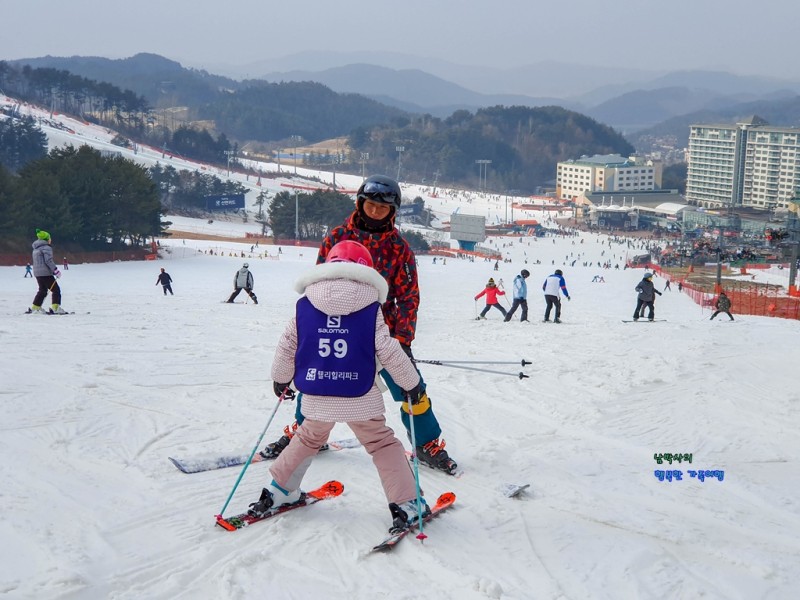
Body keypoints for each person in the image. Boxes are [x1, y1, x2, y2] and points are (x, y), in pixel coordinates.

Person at [262, 175, 458, 474]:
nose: (376, 212)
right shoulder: (338, 237)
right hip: (337, 325)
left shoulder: (399, 248)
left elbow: (408, 296)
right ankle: (305, 432)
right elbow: (320, 283)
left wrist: (402, 339)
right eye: (371, 205)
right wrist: (312, 327)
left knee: (411, 387)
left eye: (383, 208)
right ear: (360, 203)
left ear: (393, 211)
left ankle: (426, 442)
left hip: (383, 332)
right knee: (320, 379)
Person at [247, 241, 431, 532]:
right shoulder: (370, 305)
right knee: (380, 442)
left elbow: (288, 344)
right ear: (366, 270)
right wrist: (412, 384)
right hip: (359, 393)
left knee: (307, 437)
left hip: (317, 390)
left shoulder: (306, 303)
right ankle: (407, 503)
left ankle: (278, 491)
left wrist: (281, 378)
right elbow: (387, 348)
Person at [29, 229, 65, 314]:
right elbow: (48, 261)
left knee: (42, 290)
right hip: (45, 273)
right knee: (56, 290)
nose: (50, 240)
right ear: (46, 239)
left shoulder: (36, 248)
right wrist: (55, 270)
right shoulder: (46, 248)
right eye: (49, 238)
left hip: (37, 273)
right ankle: (55, 307)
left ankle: (35, 307)